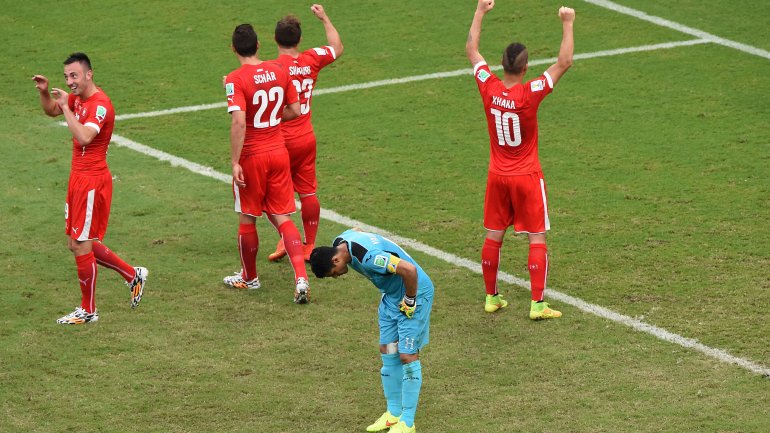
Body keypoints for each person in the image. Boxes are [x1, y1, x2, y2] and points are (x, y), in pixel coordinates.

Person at [465, 0, 575, 319]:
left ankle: (491, 297)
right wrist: (567, 22)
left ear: (501, 65)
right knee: (536, 236)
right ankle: (537, 304)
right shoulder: (530, 93)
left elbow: (472, 50)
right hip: (526, 176)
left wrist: (480, 12)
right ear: (525, 68)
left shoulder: (489, 87)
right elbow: (564, 62)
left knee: (494, 233)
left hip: (497, 176)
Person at [32, 53, 148, 324]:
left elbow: (85, 136)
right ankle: (133, 275)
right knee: (75, 243)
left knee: (81, 244)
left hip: (92, 182)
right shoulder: (77, 99)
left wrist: (66, 107)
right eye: (66, 77)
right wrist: (45, 92)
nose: (69, 82)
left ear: (89, 74)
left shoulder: (100, 105)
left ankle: (89, 310)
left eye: (74, 76)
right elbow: (51, 110)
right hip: (78, 178)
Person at [310, 230, 434, 433]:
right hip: (391, 298)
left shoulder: (370, 258)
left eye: (334, 273)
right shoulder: (339, 241)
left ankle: (408, 422)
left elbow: (409, 270)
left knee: (407, 355)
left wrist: (410, 300)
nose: (337, 276)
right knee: (388, 352)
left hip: (414, 293)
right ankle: (393, 413)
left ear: (335, 259)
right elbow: (357, 230)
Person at [222, 23, 312, 303]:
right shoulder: (279, 70)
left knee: (248, 216)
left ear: (233, 48)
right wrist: (271, 119)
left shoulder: (235, 79)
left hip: (252, 156)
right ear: (259, 45)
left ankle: (249, 278)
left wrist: (234, 162)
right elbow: (296, 109)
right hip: (279, 153)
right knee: (283, 216)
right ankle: (301, 278)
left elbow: (239, 122)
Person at [267, 4, 343, 263]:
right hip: (306, 137)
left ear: (275, 39)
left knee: (271, 193)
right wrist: (324, 18)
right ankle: (309, 245)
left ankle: (287, 238)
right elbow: (336, 47)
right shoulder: (311, 59)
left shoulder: (271, 68)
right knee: (308, 192)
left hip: (280, 140)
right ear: (299, 40)